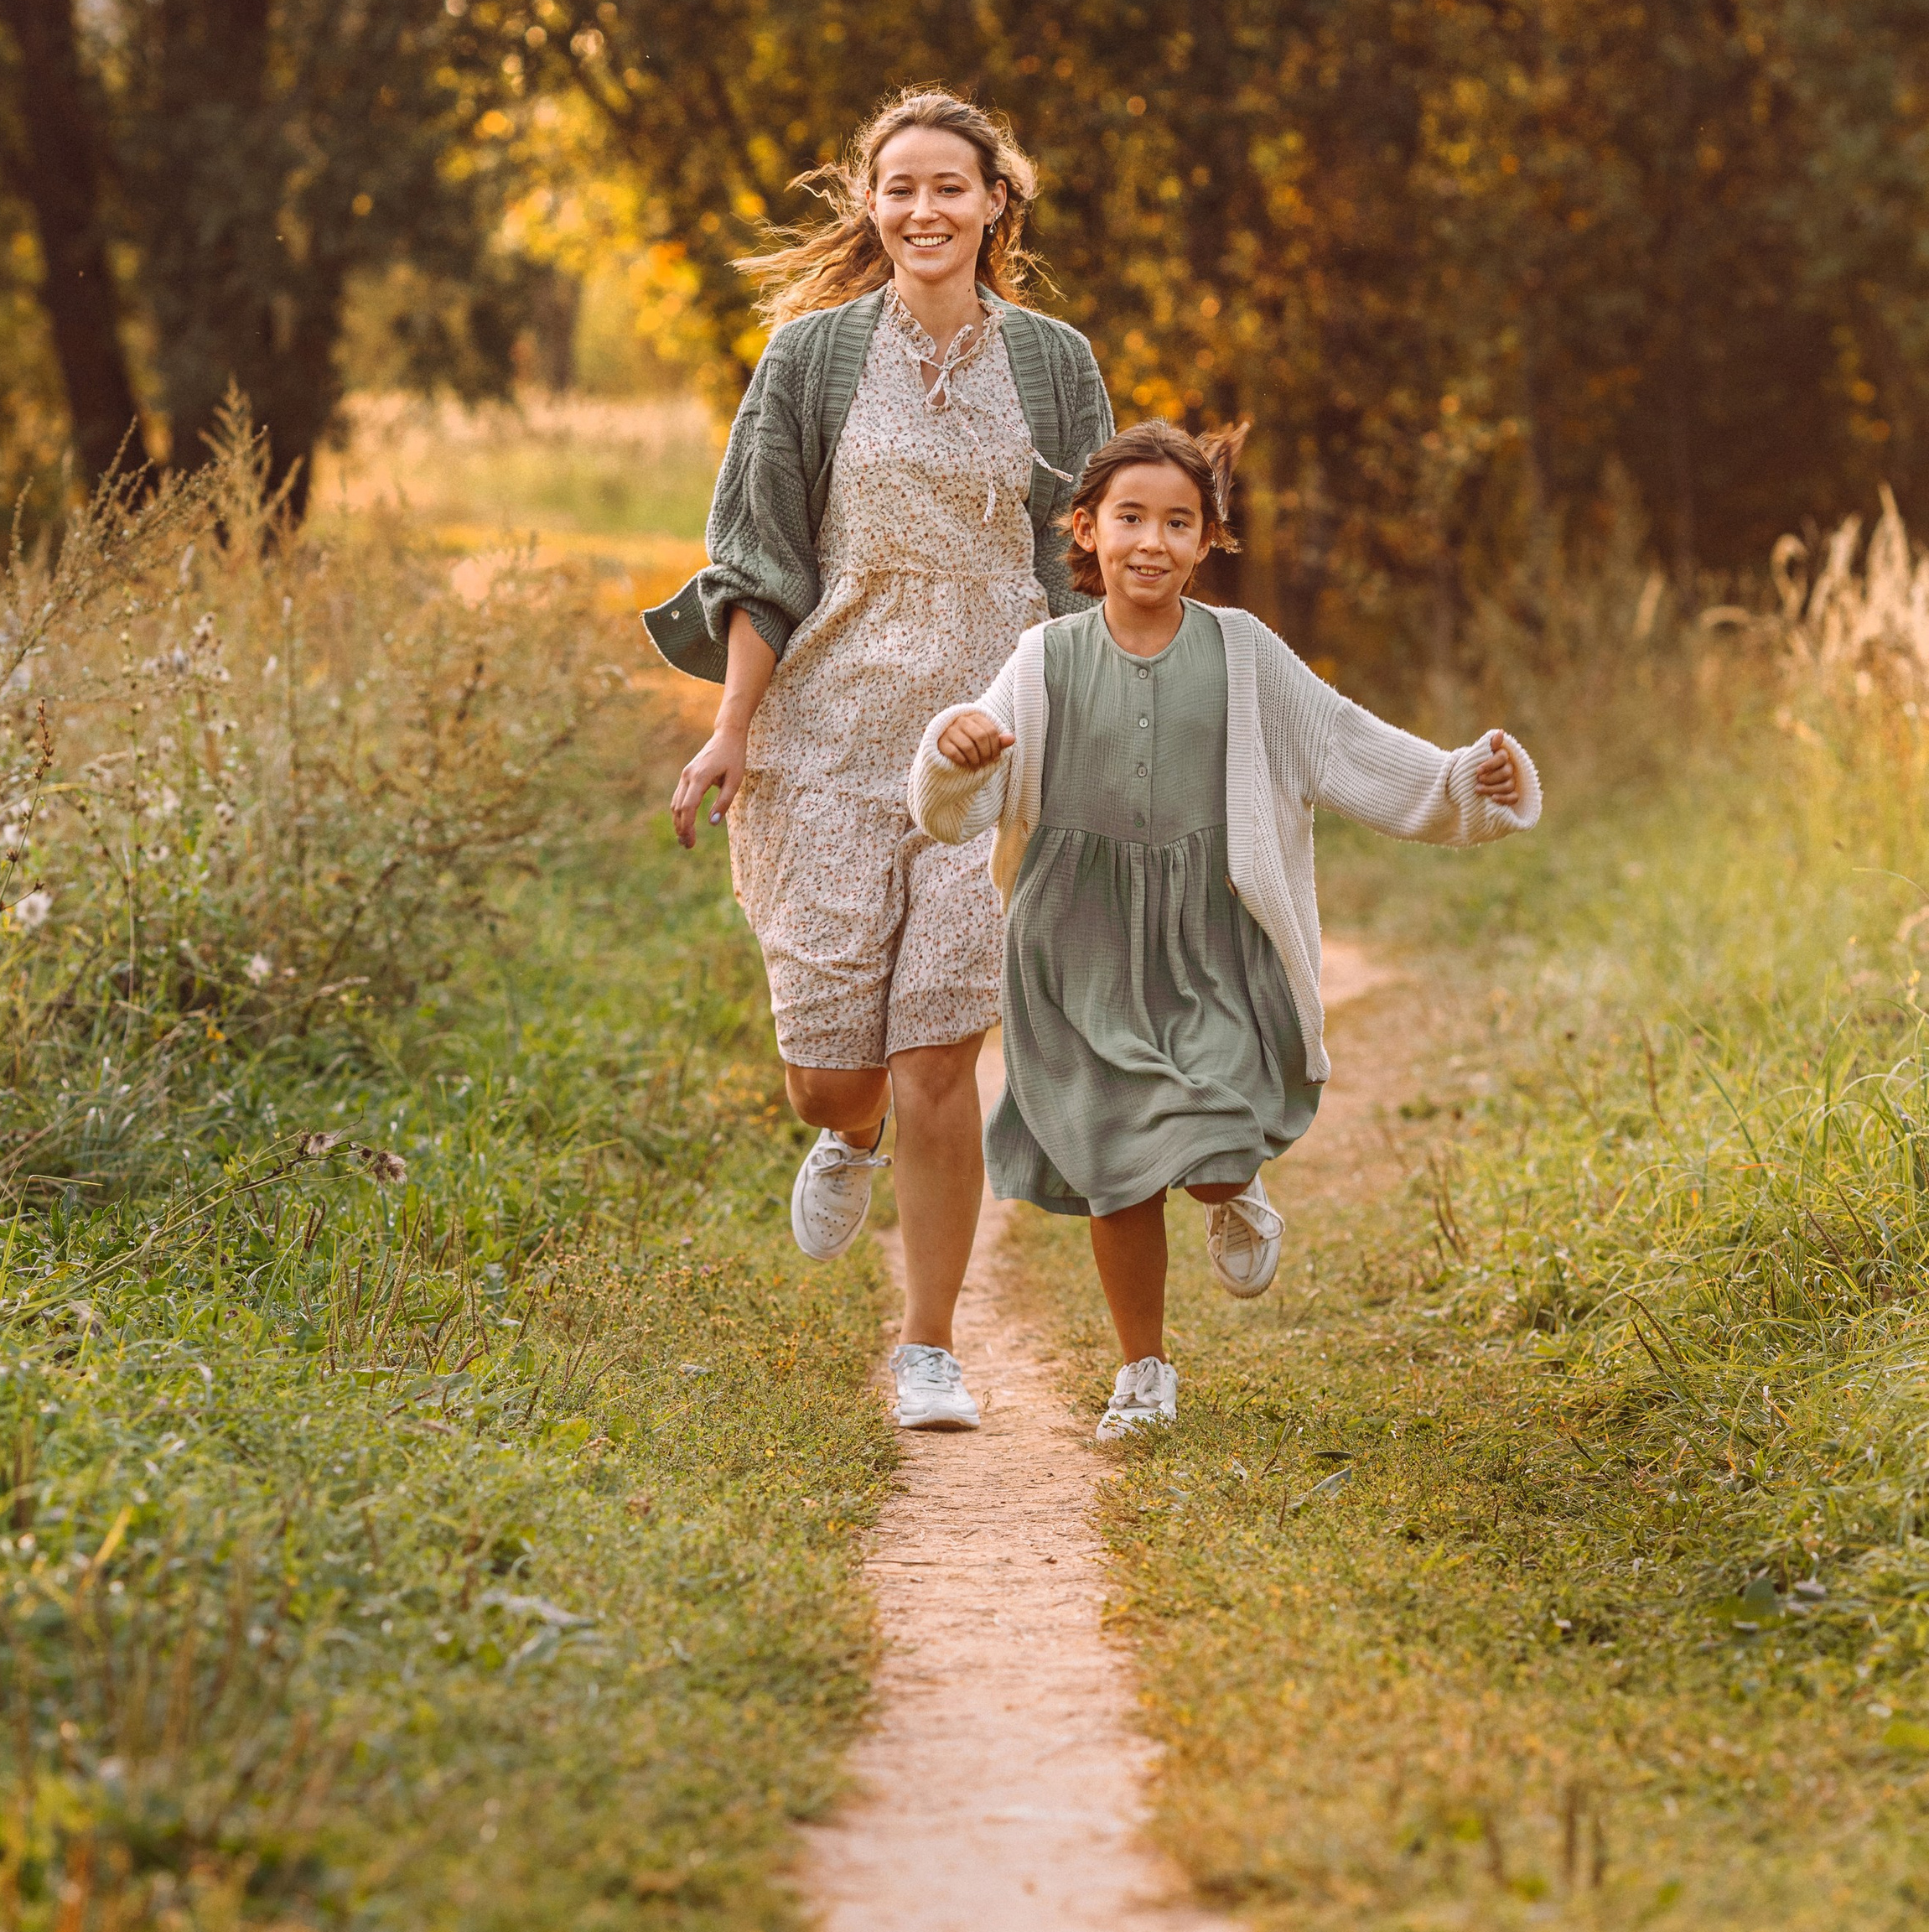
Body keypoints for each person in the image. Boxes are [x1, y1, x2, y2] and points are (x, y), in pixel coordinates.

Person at [908, 420, 1541, 1441]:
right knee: (1118, 1163)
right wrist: (956, 748)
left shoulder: (1244, 652)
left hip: (1211, 933)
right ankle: (1143, 1374)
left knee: (1206, 1136)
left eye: (1177, 521)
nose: (1151, 541)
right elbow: (952, 803)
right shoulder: (1042, 659)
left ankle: (1231, 1185)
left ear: (1207, 539)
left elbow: (1343, 743)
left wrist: (1460, 780)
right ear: (1087, 529)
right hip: (1076, 941)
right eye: (1129, 518)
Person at [649, 90, 1112, 1432]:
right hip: (826, 742)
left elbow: (1075, 566)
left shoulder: (1054, 362)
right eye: (899, 188)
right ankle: (840, 1139)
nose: (923, 211)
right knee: (837, 1076)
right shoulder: (808, 358)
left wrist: (1082, 724)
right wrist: (732, 726)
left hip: (986, 746)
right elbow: (759, 561)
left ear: (995, 204)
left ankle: (929, 1348)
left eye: (949, 189)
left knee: (937, 1062)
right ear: (872, 203)